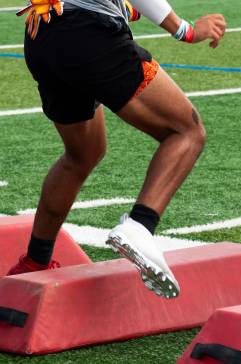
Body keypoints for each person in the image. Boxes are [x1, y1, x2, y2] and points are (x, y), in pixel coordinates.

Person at [7, 0, 226, 299]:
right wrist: (185, 30)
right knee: (186, 131)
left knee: (82, 154)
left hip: (42, 37)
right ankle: (140, 226)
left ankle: (34, 263)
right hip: (88, 36)